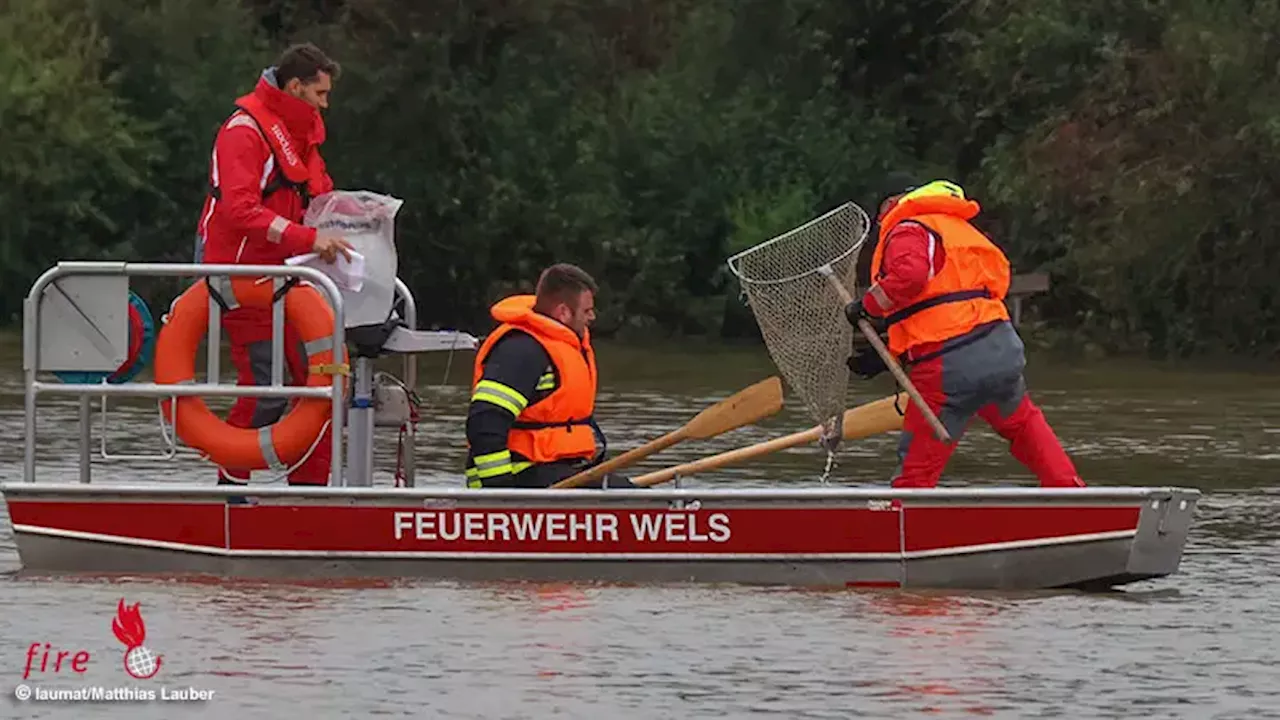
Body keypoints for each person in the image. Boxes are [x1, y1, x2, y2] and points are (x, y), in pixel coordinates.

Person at [846, 175, 1086, 489]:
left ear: (893, 202)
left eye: (881, 211)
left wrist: (866, 306)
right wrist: (891, 350)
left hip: (949, 367)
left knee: (918, 463)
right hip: (999, 349)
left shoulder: (908, 227)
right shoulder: (958, 229)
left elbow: (911, 276)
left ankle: (906, 515)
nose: (880, 221)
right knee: (1023, 425)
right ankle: (1071, 493)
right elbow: (949, 303)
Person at [195, 43, 354, 486]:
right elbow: (240, 212)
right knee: (266, 385)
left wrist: (356, 216)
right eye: (320, 94)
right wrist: (309, 237)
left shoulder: (301, 132)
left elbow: (318, 196)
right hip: (241, 273)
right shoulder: (243, 132)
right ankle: (232, 492)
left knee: (321, 385)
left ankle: (312, 494)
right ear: (295, 86)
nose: (326, 103)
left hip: (288, 275)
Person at [464, 264, 635, 489]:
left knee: (629, 490)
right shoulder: (522, 350)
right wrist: (500, 490)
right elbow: (486, 420)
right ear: (563, 312)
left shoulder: (557, 346)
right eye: (586, 310)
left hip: (554, 469)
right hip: (522, 473)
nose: (592, 317)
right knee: (634, 497)